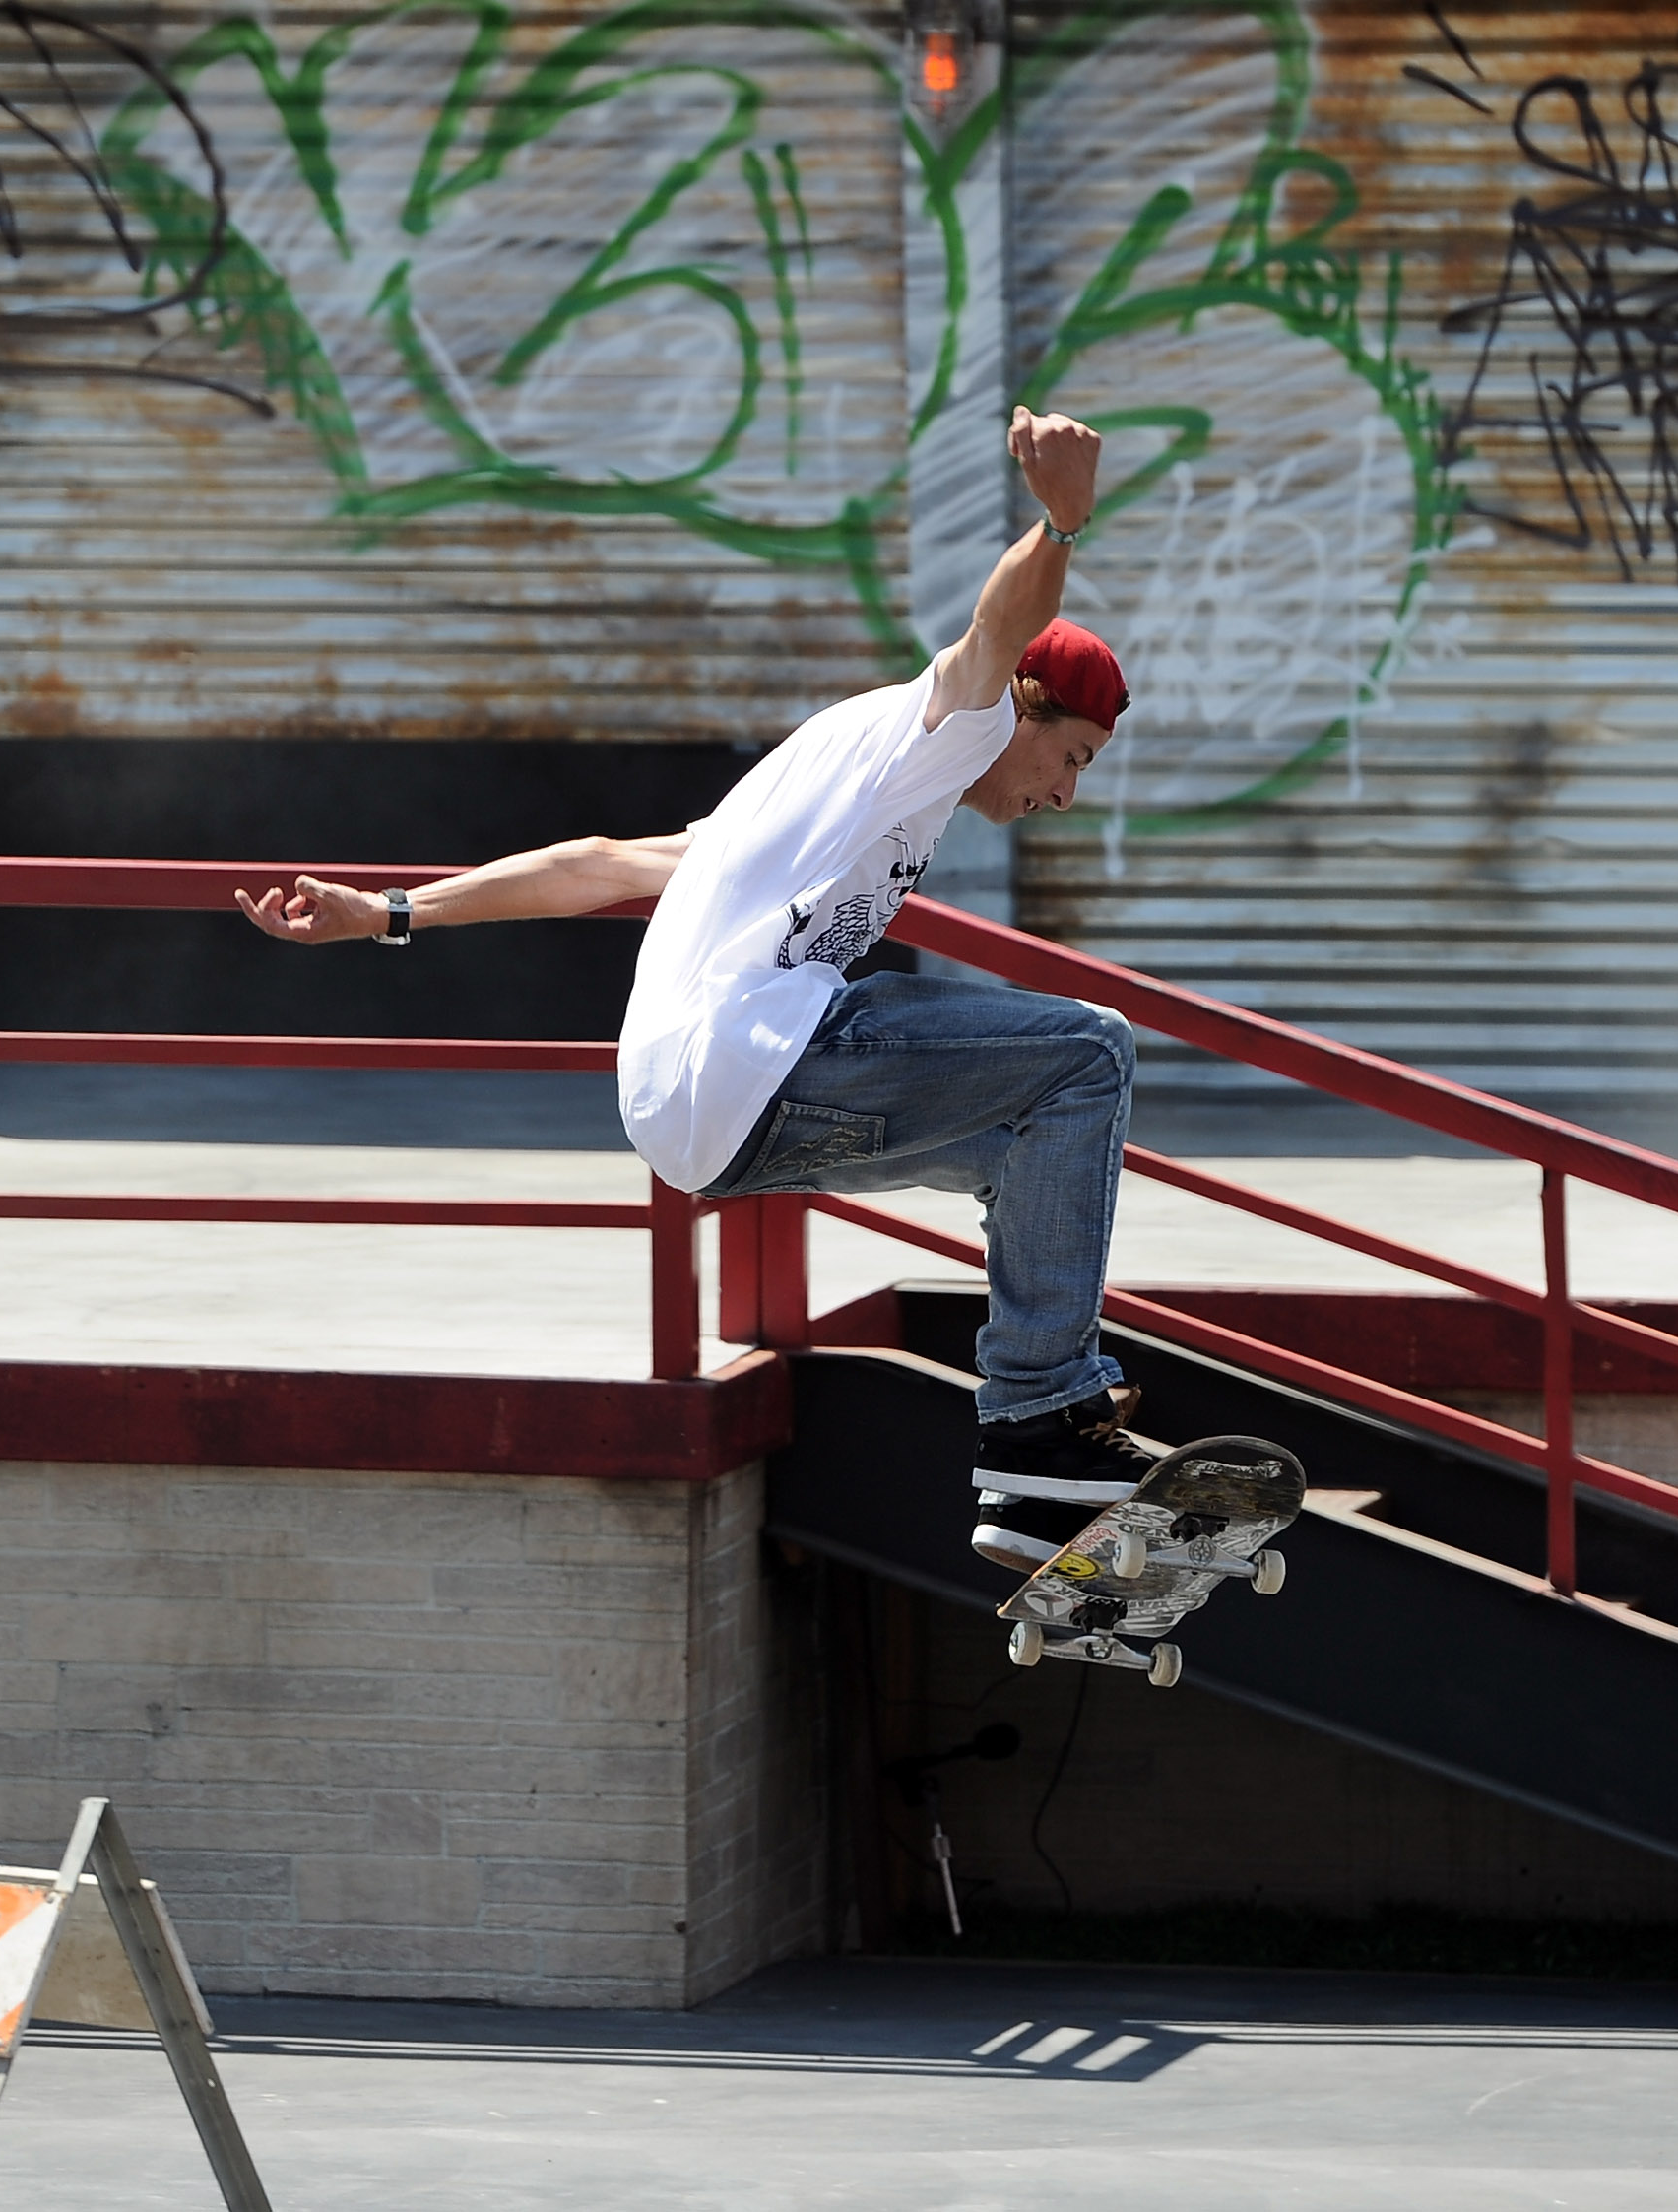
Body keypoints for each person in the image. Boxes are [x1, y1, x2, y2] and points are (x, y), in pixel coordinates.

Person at [238, 406, 1154, 1575]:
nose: (1062, 793)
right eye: (1069, 756)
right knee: (1088, 1056)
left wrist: (398, 911)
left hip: (691, 1129)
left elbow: (602, 864)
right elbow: (995, 629)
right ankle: (1036, 1415)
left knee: (1027, 1139)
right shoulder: (947, 725)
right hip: (755, 1057)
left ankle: (1029, 1487)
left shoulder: (815, 786)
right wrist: (1058, 523)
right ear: (1024, 712)